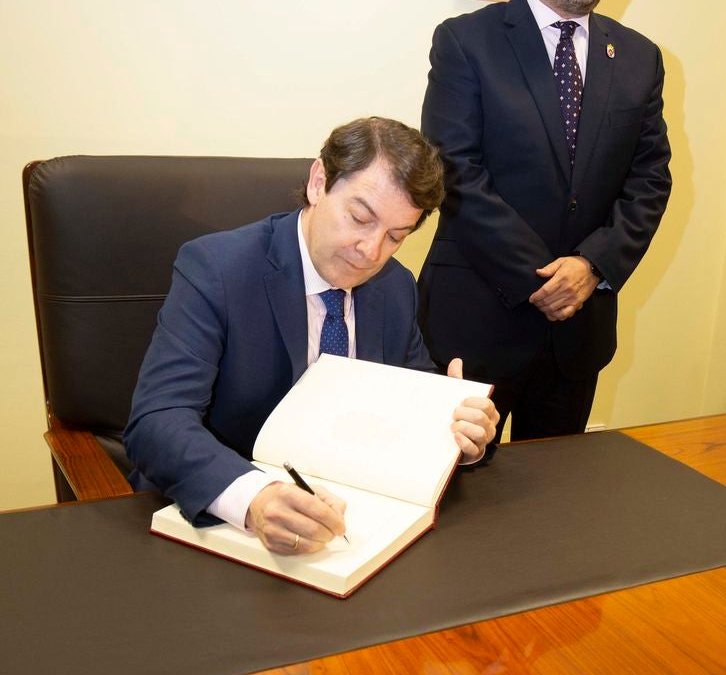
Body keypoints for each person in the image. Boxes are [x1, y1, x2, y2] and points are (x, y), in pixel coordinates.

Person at [124, 117, 499, 554]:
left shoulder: (393, 288)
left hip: (347, 526)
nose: (371, 251)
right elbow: (157, 420)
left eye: (396, 236)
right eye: (360, 218)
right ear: (319, 182)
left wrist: (459, 435)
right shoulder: (216, 269)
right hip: (220, 524)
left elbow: (413, 410)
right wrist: (255, 499)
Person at [418, 0, 672, 441]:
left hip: (576, 338)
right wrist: (543, 280)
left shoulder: (638, 59)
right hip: (476, 322)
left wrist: (593, 267)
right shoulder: (465, 43)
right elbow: (454, 172)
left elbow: (650, 179)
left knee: (555, 511)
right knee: (453, 501)